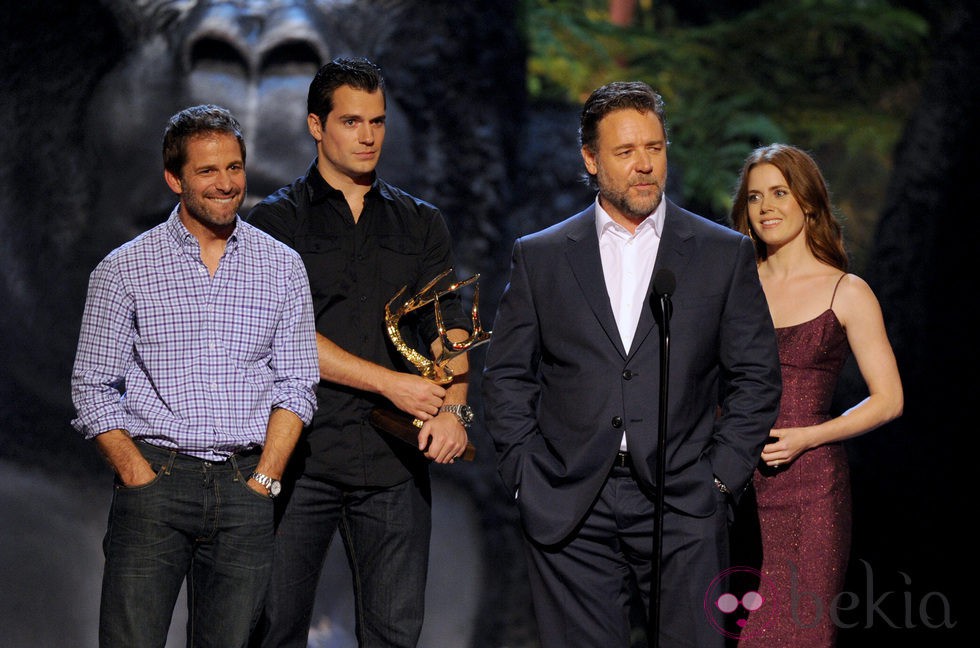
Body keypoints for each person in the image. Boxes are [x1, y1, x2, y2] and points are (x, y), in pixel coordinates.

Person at [481, 80, 782, 648]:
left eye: (655, 147)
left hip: (685, 500)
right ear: (590, 160)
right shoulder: (541, 255)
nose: (644, 165)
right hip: (569, 503)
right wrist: (525, 474)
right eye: (625, 152)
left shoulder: (721, 253)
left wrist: (719, 478)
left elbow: (756, 377)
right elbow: (508, 376)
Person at [70, 104, 319, 647]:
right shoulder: (123, 268)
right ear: (173, 178)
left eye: (234, 167)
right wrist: (138, 475)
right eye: (207, 171)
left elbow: (298, 382)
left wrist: (266, 480)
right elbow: (91, 387)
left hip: (245, 486)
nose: (226, 184)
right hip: (155, 483)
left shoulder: (282, 266)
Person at [246, 56, 474, 648]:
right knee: (273, 629)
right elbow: (283, 336)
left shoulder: (421, 223)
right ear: (316, 126)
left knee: (395, 635)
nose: (368, 136)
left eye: (377, 121)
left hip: (393, 466)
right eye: (352, 122)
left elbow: (449, 328)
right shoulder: (275, 221)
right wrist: (391, 382)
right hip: (300, 460)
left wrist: (456, 409)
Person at [729, 143, 903, 646]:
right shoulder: (734, 285)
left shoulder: (845, 291)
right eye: (756, 196)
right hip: (731, 487)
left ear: (807, 202)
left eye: (780, 192)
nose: (766, 207)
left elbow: (888, 399)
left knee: (794, 632)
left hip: (809, 491)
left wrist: (810, 436)